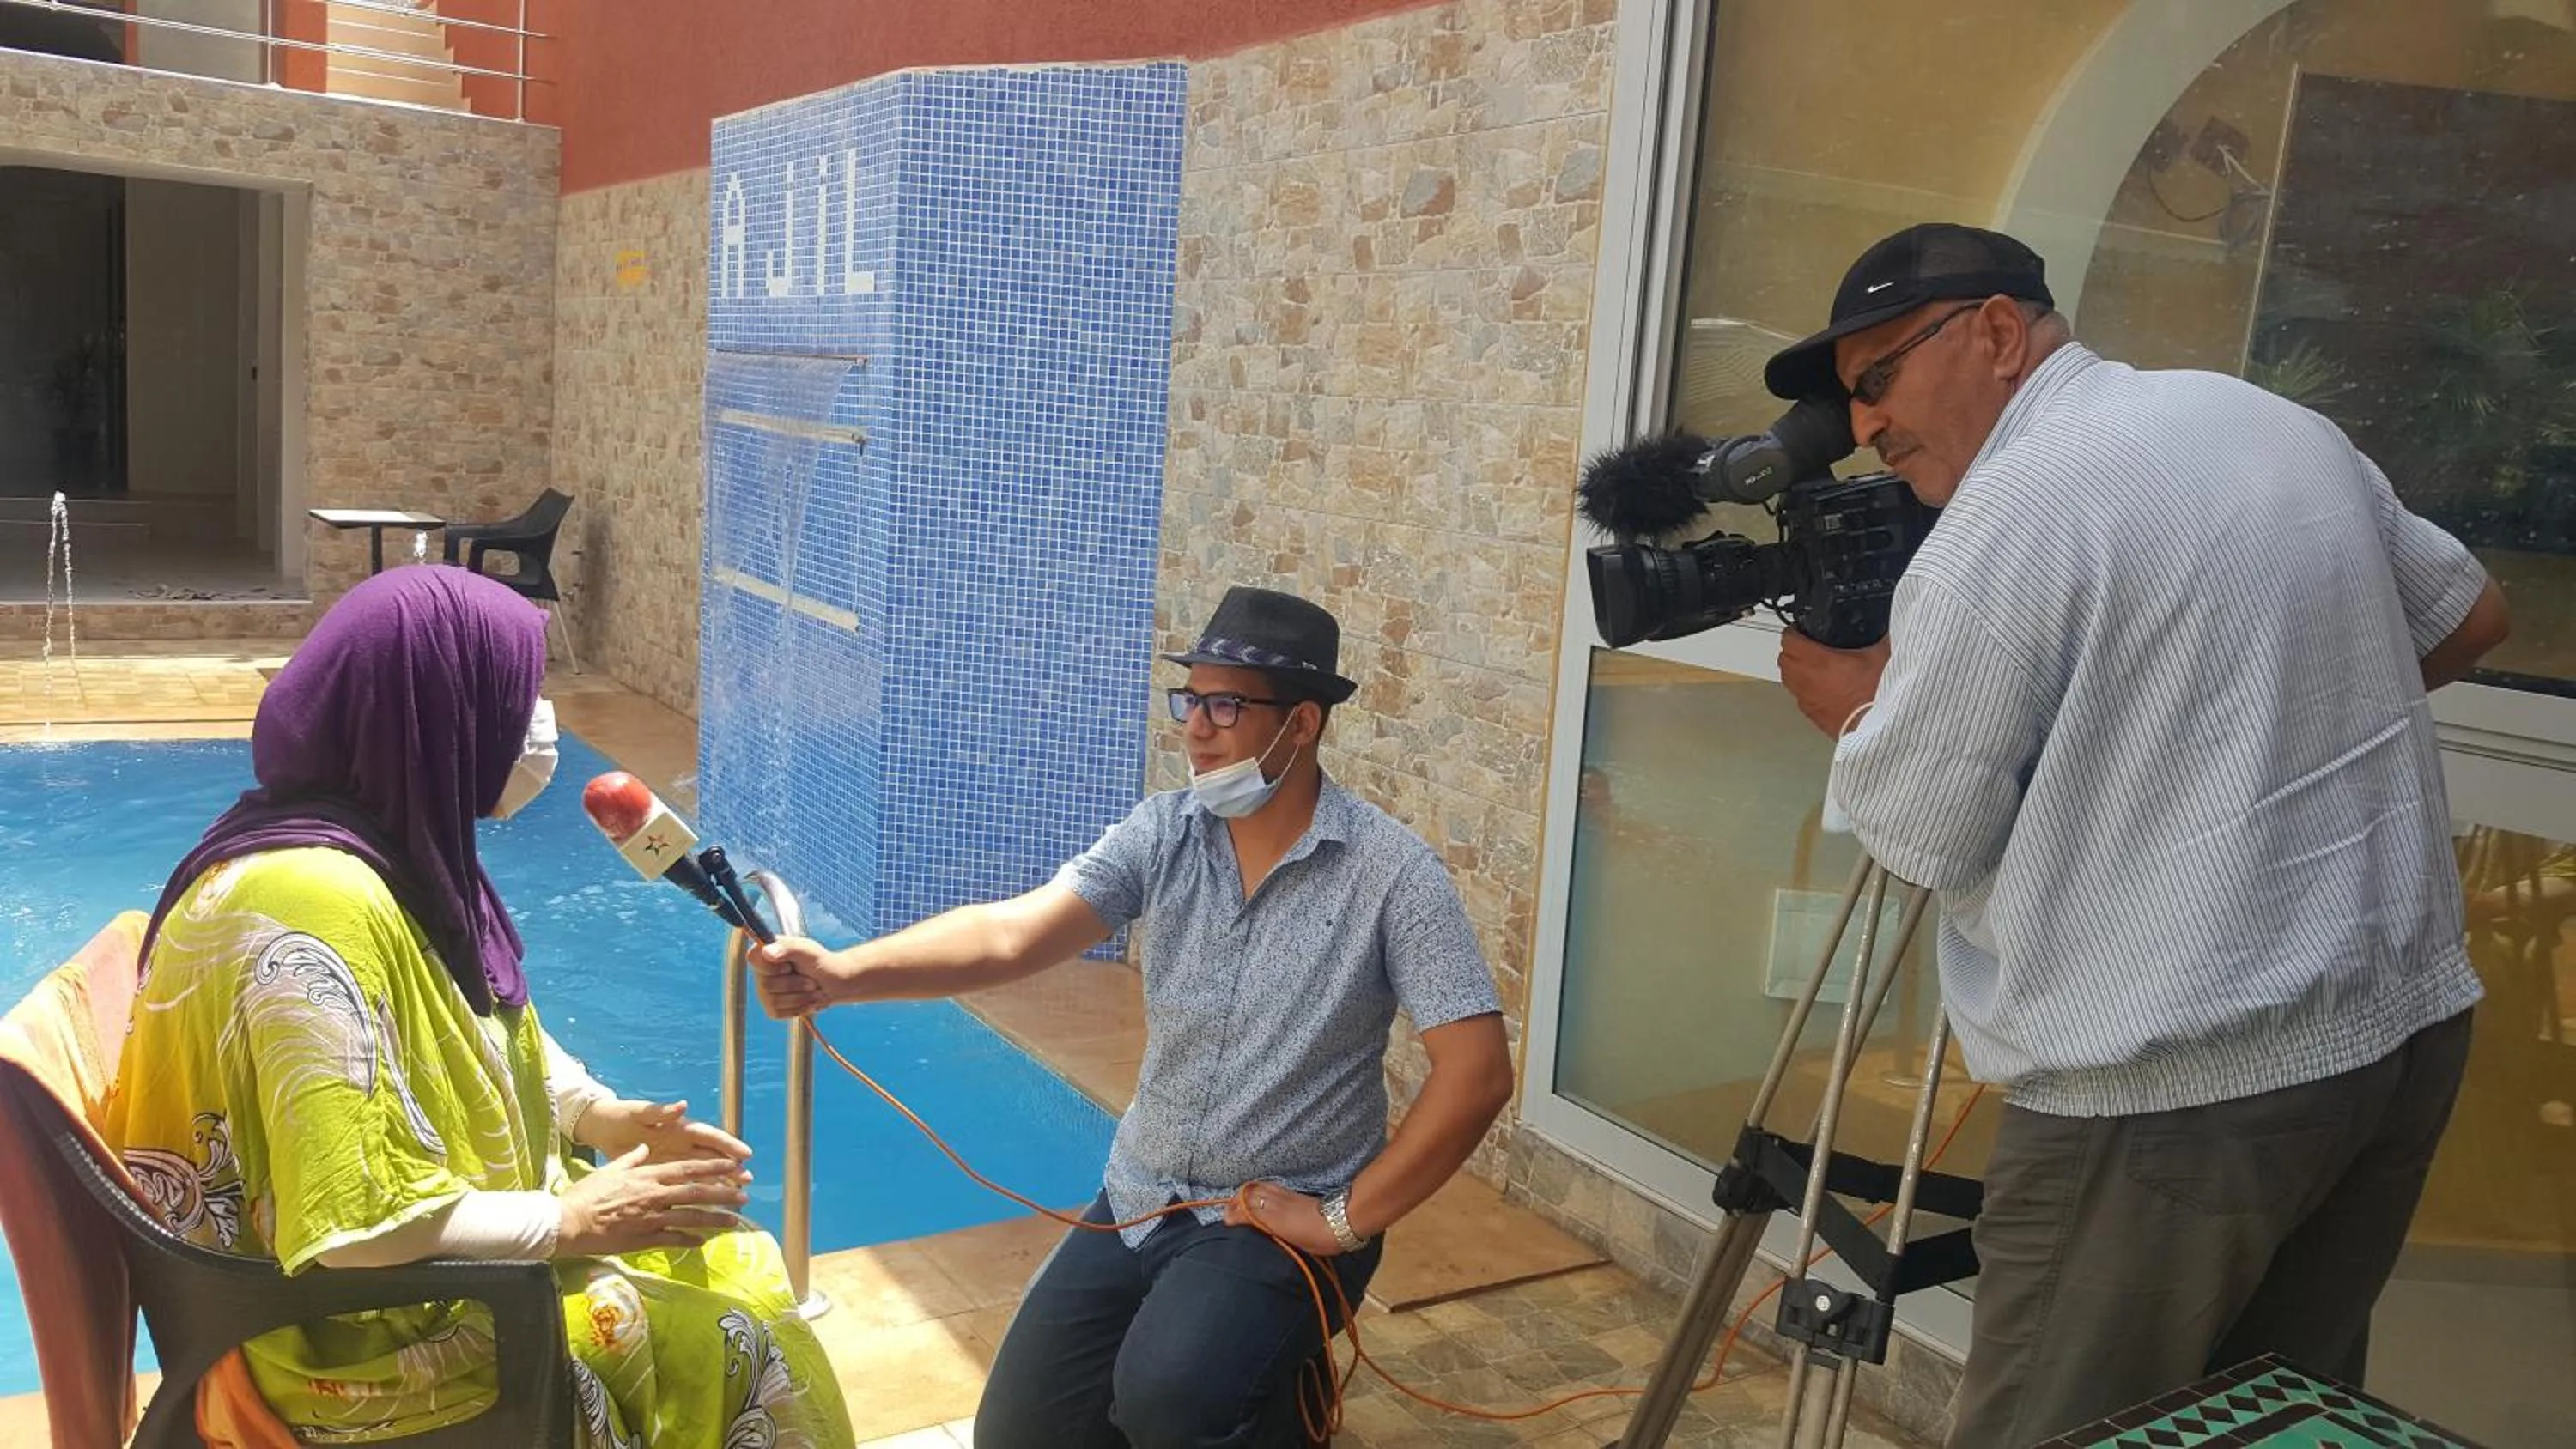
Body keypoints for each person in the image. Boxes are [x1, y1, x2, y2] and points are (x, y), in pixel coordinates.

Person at [1763, 223, 2512, 1445]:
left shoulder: (2002, 524)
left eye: (1879, 378)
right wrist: (2235, 728)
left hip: (2170, 1088)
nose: (1864, 428)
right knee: (2265, 1422)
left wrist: (1853, 706)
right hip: (2396, 1032)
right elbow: (2472, 614)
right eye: (1852, 400)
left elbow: (1923, 833)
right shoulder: (2262, 421)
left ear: (1999, 333)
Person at [751, 585, 1515, 1449]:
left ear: (1302, 724)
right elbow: (1015, 932)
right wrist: (843, 973)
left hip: (1276, 1217)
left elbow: (1478, 1072)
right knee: (1021, 1433)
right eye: (1190, 698)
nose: (1195, 726)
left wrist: (1338, 1220)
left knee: (1170, 1399)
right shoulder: (1165, 832)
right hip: (1144, 1196)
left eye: (1226, 704)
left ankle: (1278, 1406)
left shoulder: (1392, 876)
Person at [106, 567, 853, 1447]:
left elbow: (484, 1020)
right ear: (432, 711)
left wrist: (602, 1116)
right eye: (514, 691)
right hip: (347, 1339)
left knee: (731, 1256)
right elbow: (352, 1224)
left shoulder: (380, 845)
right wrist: (573, 1217)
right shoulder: (310, 904)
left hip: (402, 1282)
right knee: (733, 1335)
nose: (535, 721)